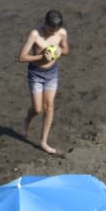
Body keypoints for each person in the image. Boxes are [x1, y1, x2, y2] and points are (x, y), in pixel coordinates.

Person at [19, 9, 69, 155]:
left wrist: (60, 51)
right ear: (45, 24)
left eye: (55, 31)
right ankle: (27, 120)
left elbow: (66, 50)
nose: (52, 33)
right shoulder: (35, 34)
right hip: (36, 74)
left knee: (50, 107)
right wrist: (41, 58)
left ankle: (43, 142)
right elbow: (22, 57)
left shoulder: (62, 33)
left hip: (52, 73)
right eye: (49, 30)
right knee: (38, 109)